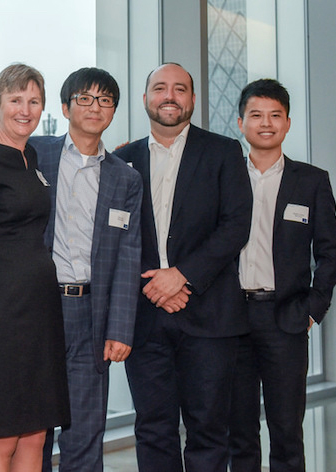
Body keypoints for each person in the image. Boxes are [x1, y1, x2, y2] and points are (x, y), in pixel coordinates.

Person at [113, 62, 252, 471]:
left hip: (210, 315)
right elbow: (117, 236)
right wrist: (156, 285)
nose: (169, 96)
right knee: (153, 428)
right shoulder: (123, 159)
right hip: (146, 315)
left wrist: (182, 276)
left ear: (193, 99)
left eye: (179, 88)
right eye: (159, 88)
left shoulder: (224, 151)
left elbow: (236, 224)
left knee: (208, 428)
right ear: (145, 99)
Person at [31, 68, 142, 472]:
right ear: (65, 107)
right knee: (33, 427)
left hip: (91, 314)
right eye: (85, 99)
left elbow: (129, 254)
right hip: (37, 307)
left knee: (85, 428)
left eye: (105, 100)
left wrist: (120, 328)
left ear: (113, 112)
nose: (95, 107)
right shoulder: (35, 154)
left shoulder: (125, 178)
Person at [229, 79, 336, 472]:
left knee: (287, 430)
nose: (265, 123)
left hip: (286, 318)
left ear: (288, 123)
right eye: (256, 115)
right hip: (230, 319)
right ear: (240, 122)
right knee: (238, 431)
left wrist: (313, 309)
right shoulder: (225, 177)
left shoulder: (311, 181)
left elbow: (328, 254)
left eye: (275, 115)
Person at [0, 63, 70, 472]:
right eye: (15, 100)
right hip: (2, 309)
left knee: (36, 431)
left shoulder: (30, 155)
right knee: (3, 433)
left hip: (40, 308)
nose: (25, 109)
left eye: (34, 101)